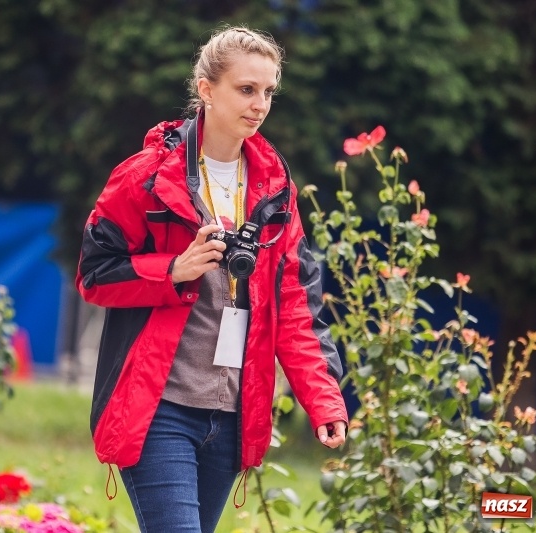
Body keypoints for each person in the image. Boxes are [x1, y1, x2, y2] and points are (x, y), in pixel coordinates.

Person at [75, 26, 348, 533]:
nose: (260, 104)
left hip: (231, 415)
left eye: (268, 91)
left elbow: (295, 308)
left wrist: (324, 400)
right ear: (206, 90)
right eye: (246, 89)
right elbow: (95, 275)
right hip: (159, 409)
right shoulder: (146, 177)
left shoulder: (275, 191)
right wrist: (172, 271)